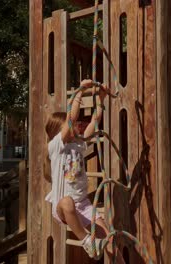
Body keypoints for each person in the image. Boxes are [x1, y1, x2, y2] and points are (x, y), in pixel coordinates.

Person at [45, 79, 123, 262]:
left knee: (109, 239)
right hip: (63, 208)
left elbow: (94, 123)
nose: (77, 125)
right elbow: (71, 120)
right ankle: (87, 241)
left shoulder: (78, 145)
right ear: (59, 131)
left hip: (84, 206)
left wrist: (100, 100)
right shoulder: (56, 147)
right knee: (67, 201)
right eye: (68, 125)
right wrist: (81, 89)